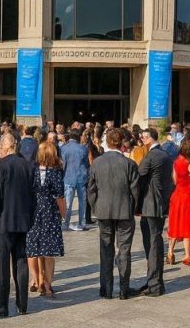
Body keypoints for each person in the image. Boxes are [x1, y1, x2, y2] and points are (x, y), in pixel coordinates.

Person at [0, 132, 36, 317]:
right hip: (22, 220)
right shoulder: (28, 166)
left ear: (4, 147)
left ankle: (1, 303)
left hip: (2, 222)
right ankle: (22, 303)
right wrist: (30, 217)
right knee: (21, 260)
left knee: (1, 263)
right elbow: (33, 195)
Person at [87, 128, 140, 300]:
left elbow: (91, 190)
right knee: (124, 250)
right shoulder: (129, 164)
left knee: (106, 249)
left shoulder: (97, 163)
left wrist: (96, 207)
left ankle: (106, 289)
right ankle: (124, 289)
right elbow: (135, 191)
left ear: (108, 142)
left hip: (103, 210)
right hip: (124, 210)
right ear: (122, 143)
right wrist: (132, 208)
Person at [135, 127, 173, 296]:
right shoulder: (166, 155)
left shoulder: (151, 156)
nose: (142, 140)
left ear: (150, 139)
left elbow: (139, 177)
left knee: (152, 244)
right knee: (154, 242)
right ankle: (154, 281)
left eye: (144, 137)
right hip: (160, 202)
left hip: (150, 204)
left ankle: (155, 284)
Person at [27, 141, 65, 298]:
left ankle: (36, 280)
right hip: (50, 211)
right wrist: (63, 214)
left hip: (34, 210)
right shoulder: (56, 173)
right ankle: (48, 284)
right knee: (49, 250)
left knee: (33, 247)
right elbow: (59, 196)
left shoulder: (32, 171)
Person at [167, 138, 190, 266]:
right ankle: (187, 256)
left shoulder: (176, 161)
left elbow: (175, 179)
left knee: (175, 224)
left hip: (177, 195)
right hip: (188, 197)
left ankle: (170, 252)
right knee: (188, 225)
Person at [59, 129, 90, 231]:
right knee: (82, 202)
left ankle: (65, 223)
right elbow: (86, 164)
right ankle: (82, 223)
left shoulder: (63, 148)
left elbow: (62, 164)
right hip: (81, 177)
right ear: (79, 137)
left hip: (68, 177)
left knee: (68, 203)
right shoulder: (84, 148)